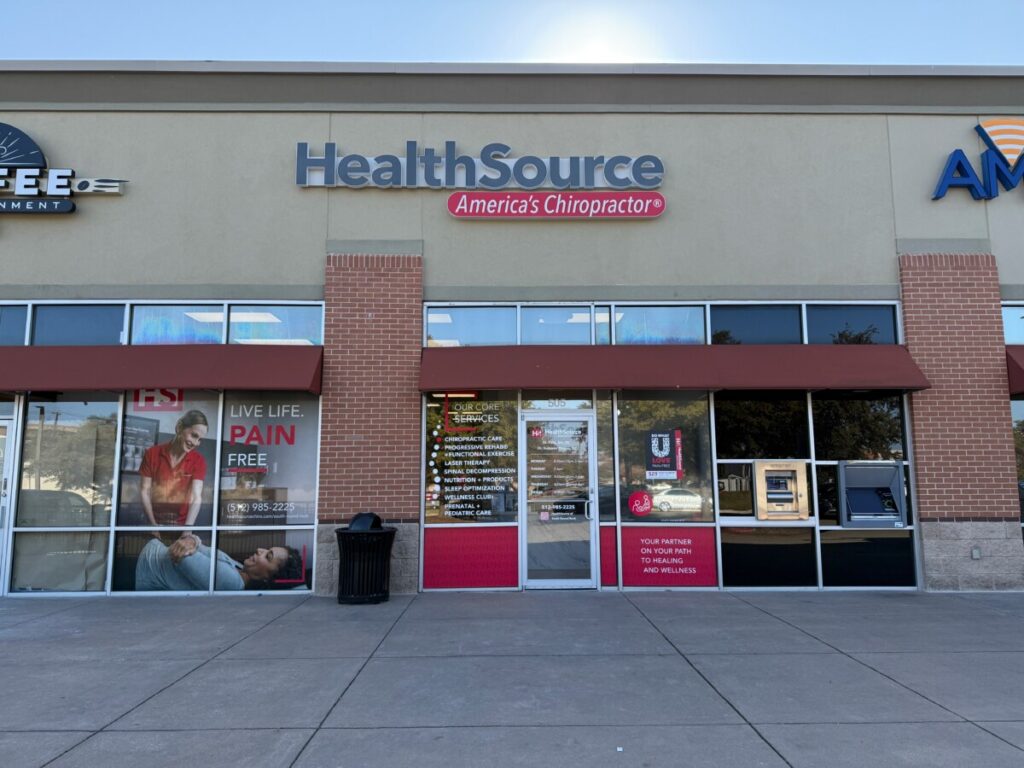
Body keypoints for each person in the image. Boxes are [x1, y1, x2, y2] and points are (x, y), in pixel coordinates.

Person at [134, 533, 304, 591]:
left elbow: (181, 553)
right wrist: (192, 540)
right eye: (267, 549)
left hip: (138, 566)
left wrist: (191, 542)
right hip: (146, 556)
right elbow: (187, 542)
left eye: (268, 556)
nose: (260, 550)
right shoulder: (239, 568)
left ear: (268, 578)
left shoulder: (231, 581)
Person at [139, 410, 209, 527]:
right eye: (194, 435)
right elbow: (145, 490)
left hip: (182, 525)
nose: (196, 443)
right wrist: (153, 525)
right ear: (179, 427)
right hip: (154, 522)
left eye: (200, 439)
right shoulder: (152, 454)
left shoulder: (199, 461)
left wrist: (187, 530)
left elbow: (196, 497)